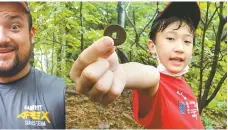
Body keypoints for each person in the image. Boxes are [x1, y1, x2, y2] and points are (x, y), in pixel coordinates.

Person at [69, 2, 204, 129]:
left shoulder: (185, 86)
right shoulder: (157, 85)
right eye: (170, 38)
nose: (180, 48)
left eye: (187, 41)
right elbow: (149, 75)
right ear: (152, 46)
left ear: (192, 50)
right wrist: (120, 72)